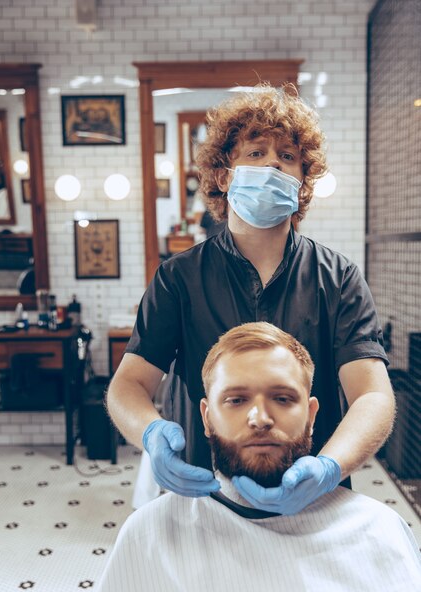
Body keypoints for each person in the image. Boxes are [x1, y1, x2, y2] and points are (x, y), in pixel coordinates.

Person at [107, 83, 395, 514]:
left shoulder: (338, 279)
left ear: (302, 182)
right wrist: (150, 433)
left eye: (287, 158)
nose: (273, 166)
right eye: (256, 153)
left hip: (314, 499)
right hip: (205, 496)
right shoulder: (178, 279)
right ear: (224, 176)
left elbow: (373, 395)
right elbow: (129, 384)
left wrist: (329, 468)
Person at [85, 323, 421, 592]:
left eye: (282, 397)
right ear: (206, 417)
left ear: (311, 415)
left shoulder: (379, 530)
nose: (260, 418)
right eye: (236, 399)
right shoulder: (150, 536)